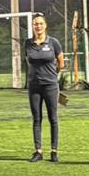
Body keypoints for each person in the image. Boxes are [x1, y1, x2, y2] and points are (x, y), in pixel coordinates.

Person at [25, 12, 63, 162]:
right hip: (34, 86)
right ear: (33, 26)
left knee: (53, 119)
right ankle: (38, 151)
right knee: (36, 119)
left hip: (50, 86)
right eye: (35, 24)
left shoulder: (53, 42)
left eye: (40, 23)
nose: (38, 26)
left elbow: (61, 63)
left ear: (45, 25)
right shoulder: (27, 43)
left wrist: (51, 75)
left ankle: (54, 151)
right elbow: (28, 61)